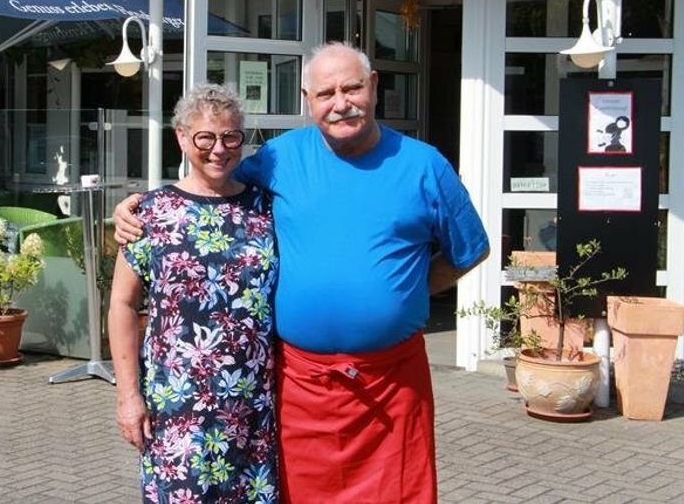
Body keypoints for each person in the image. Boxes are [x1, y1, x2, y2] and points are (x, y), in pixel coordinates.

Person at [115, 43, 490, 503]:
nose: (341, 102)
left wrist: (408, 290)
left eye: (352, 87)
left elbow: (471, 249)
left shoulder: (424, 165)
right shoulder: (278, 158)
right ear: (306, 99)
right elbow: (213, 179)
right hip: (300, 387)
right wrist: (137, 207)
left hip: (393, 385)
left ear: (373, 87)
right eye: (326, 92)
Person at [108, 84, 280, 503]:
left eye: (230, 137)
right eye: (205, 137)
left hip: (254, 410)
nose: (218, 149)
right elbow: (123, 304)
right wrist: (129, 396)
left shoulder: (267, 208)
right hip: (178, 411)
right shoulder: (150, 213)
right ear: (182, 137)